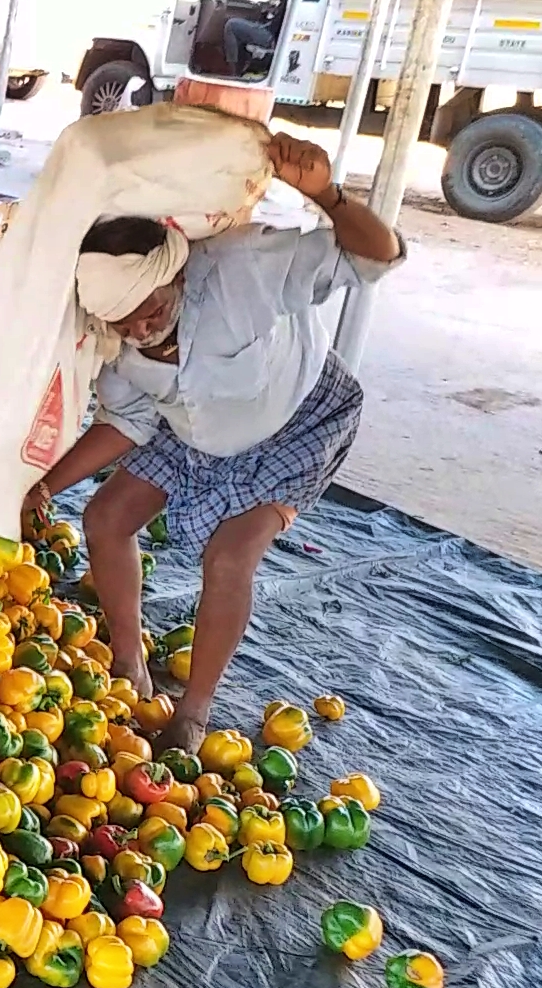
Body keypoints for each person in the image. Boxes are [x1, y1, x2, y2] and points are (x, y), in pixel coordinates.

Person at [23, 133, 404, 753]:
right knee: (104, 517)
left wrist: (328, 197)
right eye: (122, 320)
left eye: (149, 306)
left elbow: (377, 257)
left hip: (296, 415)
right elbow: (127, 424)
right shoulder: (121, 351)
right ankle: (129, 664)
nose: (140, 326)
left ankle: (193, 712)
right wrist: (41, 487)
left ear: (172, 270)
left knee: (229, 559)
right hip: (192, 422)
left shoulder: (242, 266)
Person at [223, 6, 278, 78]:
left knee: (231, 25)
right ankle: (237, 70)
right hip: (268, 26)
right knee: (236, 22)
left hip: (272, 33)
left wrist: (273, 9)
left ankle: (233, 71)